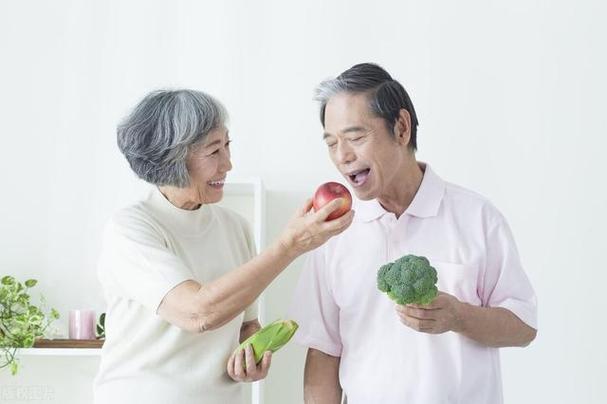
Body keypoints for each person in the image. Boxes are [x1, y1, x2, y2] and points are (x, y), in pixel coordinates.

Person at [289, 63, 537, 404]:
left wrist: (459, 316)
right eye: (332, 143)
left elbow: (523, 326)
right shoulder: (332, 231)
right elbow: (323, 354)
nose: (342, 156)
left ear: (401, 128)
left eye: (356, 137)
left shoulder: (477, 217)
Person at [93, 89, 353, 404]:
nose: (228, 164)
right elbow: (197, 312)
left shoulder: (235, 227)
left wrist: (249, 358)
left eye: (227, 145)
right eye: (214, 151)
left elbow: (245, 326)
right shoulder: (131, 229)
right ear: (172, 158)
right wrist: (291, 245)